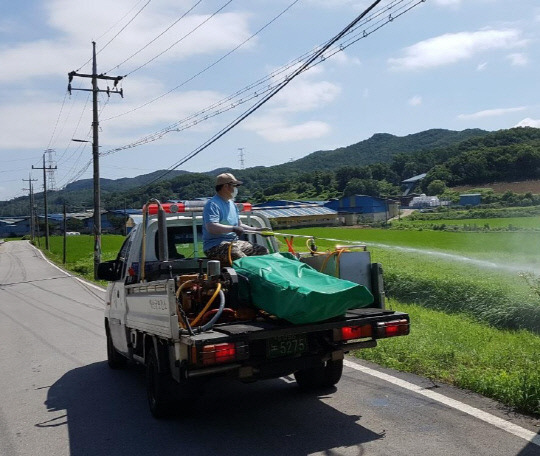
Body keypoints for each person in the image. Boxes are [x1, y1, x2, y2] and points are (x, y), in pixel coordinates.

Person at [203, 173, 268, 264]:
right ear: (226, 186)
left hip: (233, 243)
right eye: (235, 186)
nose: (236, 189)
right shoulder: (212, 204)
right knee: (236, 254)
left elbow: (239, 225)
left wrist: (258, 230)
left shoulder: (232, 204)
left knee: (261, 251)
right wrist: (233, 228)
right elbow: (211, 227)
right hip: (215, 246)